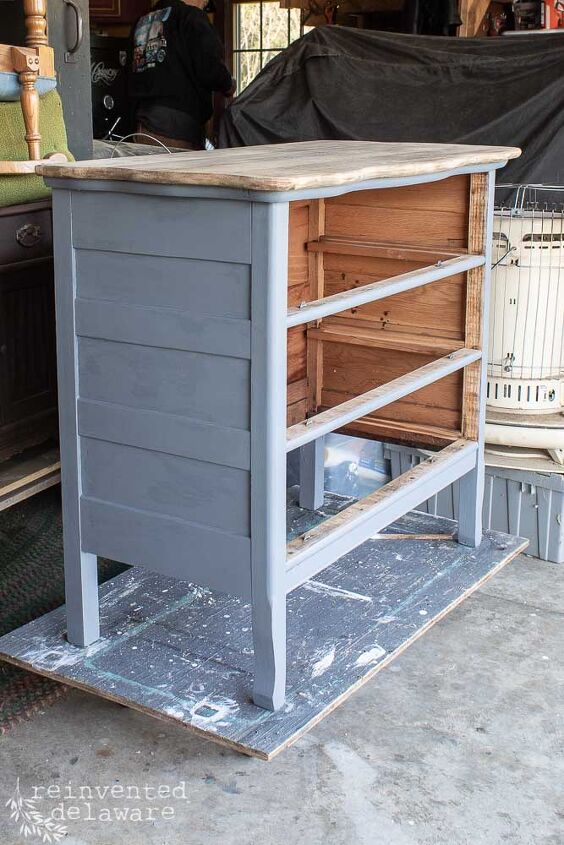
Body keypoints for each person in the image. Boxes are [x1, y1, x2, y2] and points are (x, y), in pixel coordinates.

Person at [129, 0, 235, 150]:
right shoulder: (192, 17)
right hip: (177, 129)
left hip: (142, 126)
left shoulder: (143, 20)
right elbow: (210, 68)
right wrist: (229, 84)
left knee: (149, 172)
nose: (204, 6)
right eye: (205, 3)